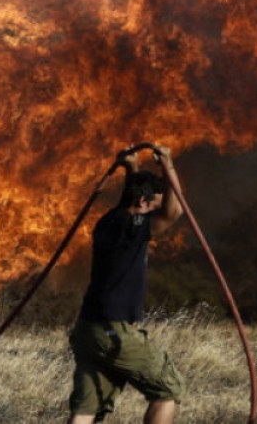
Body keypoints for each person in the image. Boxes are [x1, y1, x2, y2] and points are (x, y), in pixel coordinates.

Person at [67, 146, 187, 424]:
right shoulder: (134, 227)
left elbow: (132, 200)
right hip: (113, 330)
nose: (155, 216)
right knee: (168, 388)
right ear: (144, 202)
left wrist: (130, 168)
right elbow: (174, 211)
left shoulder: (110, 220)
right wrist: (167, 163)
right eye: (153, 207)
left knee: (87, 408)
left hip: (88, 330)